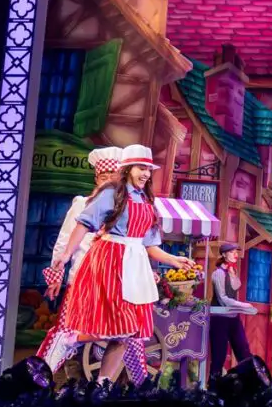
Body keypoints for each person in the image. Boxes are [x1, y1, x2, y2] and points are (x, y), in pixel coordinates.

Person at [48, 145, 195, 383]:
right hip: (111, 261)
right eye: (141, 168)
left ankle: (102, 384)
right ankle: (70, 339)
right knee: (113, 325)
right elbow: (84, 224)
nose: (146, 173)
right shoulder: (112, 193)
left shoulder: (145, 199)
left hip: (135, 265)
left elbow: (149, 245)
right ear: (127, 169)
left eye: (148, 169)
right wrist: (65, 256)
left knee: (129, 333)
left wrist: (172, 259)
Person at [38, 147, 150, 384]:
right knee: (68, 331)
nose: (109, 181)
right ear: (96, 178)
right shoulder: (83, 204)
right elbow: (64, 241)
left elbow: (137, 242)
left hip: (118, 279)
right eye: (104, 177)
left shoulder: (127, 203)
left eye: (113, 176)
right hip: (83, 277)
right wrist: (57, 275)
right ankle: (44, 377)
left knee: (128, 332)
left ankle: (126, 383)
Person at [209, 243, 257, 383]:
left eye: (236, 251)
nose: (235, 254)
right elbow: (223, 298)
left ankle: (250, 384)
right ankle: (213, 387)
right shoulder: (218, 273)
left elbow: (236, 288)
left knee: (244, 352)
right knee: (219, 356)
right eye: (232, 252)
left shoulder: (232, 271)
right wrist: (244, 305)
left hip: (233, 317)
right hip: (220, 318)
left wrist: (232, 274)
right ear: (224, 254)